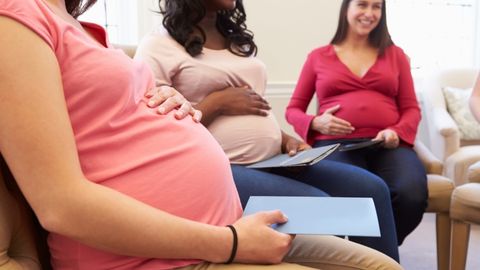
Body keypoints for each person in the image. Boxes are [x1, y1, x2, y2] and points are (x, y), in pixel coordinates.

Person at [0, 0, 403, 269]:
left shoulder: (78, 26)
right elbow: (60, 204)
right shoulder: (17, 15)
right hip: (167, 254)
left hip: (227, 221)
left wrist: (165, 101)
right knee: (323, 207)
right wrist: (229, 242)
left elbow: (106, 118)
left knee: (383, 261)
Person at [134, 0, 400, 261]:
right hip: (221, 167)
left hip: (273, 160)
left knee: (372, 189)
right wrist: (215, 104)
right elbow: (155, 132)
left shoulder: (235, 40)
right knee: (319, 206)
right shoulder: (158, 45)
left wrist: (285, 140)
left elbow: (254, 106)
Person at [286, 0, 428, 246]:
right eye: (362, 5)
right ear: (346, 9)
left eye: (377, 7)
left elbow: (411, 109)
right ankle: (364, 258)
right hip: (335, 145)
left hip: (388, 145)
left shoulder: (396, 56)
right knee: (352, 193)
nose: (369, 13)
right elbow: (293, 110)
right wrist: (316, 122)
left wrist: (395, 132)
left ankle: (378, 252)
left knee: (411, 194)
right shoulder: (318, 56)